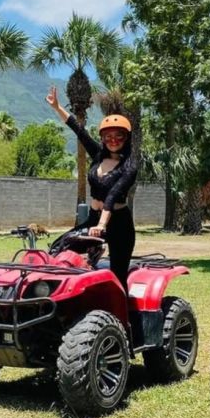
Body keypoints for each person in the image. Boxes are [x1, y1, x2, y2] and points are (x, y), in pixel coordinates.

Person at [45, 86, 138, 288]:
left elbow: (113, 196)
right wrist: (57, 107)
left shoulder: (129, 167)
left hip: (119, 224)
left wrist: (102, 226)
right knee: (59, 247)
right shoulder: (98, 156)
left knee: (118, 275)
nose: (113, 140)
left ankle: (121, 319)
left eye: (118, 136)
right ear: (103, 138)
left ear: (126, 138)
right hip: (94, 219)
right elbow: (80, 131)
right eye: (108, 136)